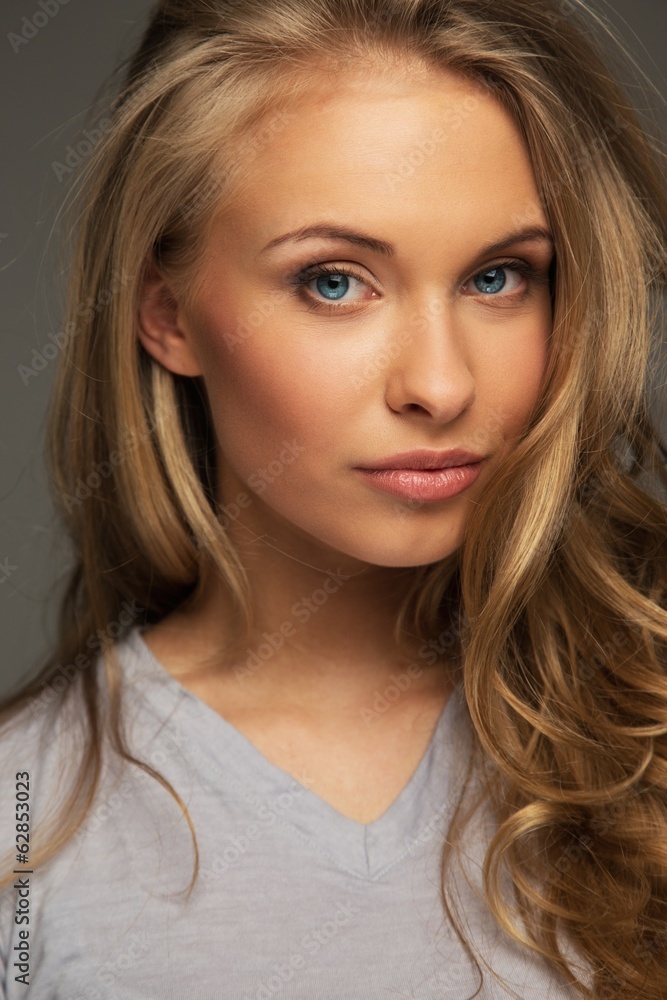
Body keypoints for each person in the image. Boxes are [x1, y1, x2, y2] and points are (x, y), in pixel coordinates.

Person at [1, 0, 666, 996]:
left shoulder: (643, 739)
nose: (439, 386)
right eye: (333, 282)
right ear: (167, 313)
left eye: (498, 277)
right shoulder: (25, 816)